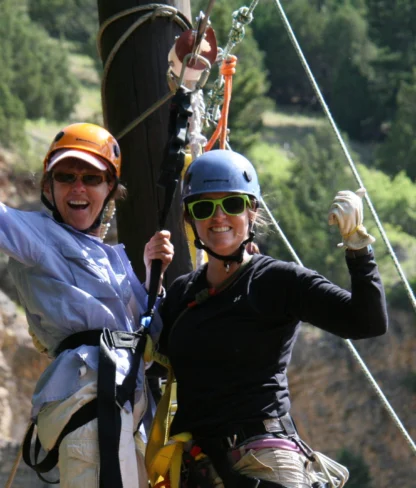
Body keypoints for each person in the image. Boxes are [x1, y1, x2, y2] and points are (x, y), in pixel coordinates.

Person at [151, 149, 388, 488]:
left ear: (252, 212)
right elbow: (150, 362)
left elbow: (367, 322)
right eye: (204, 208)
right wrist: (149, 282)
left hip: (264, 461)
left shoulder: (278, 281)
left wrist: (358, 249)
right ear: (190, 220)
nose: (218, 218)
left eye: (231, 205)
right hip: (200, 468)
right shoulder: (180, 293)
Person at [0, 122, 174, 488]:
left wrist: (150, 279)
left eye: (92, 178)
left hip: (129, 411)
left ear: (109, 188)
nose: (78, 187)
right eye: (66, 176)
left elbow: (156, 337)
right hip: (90, 406)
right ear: (49, 187)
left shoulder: (115, 262)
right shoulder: (38, 236)